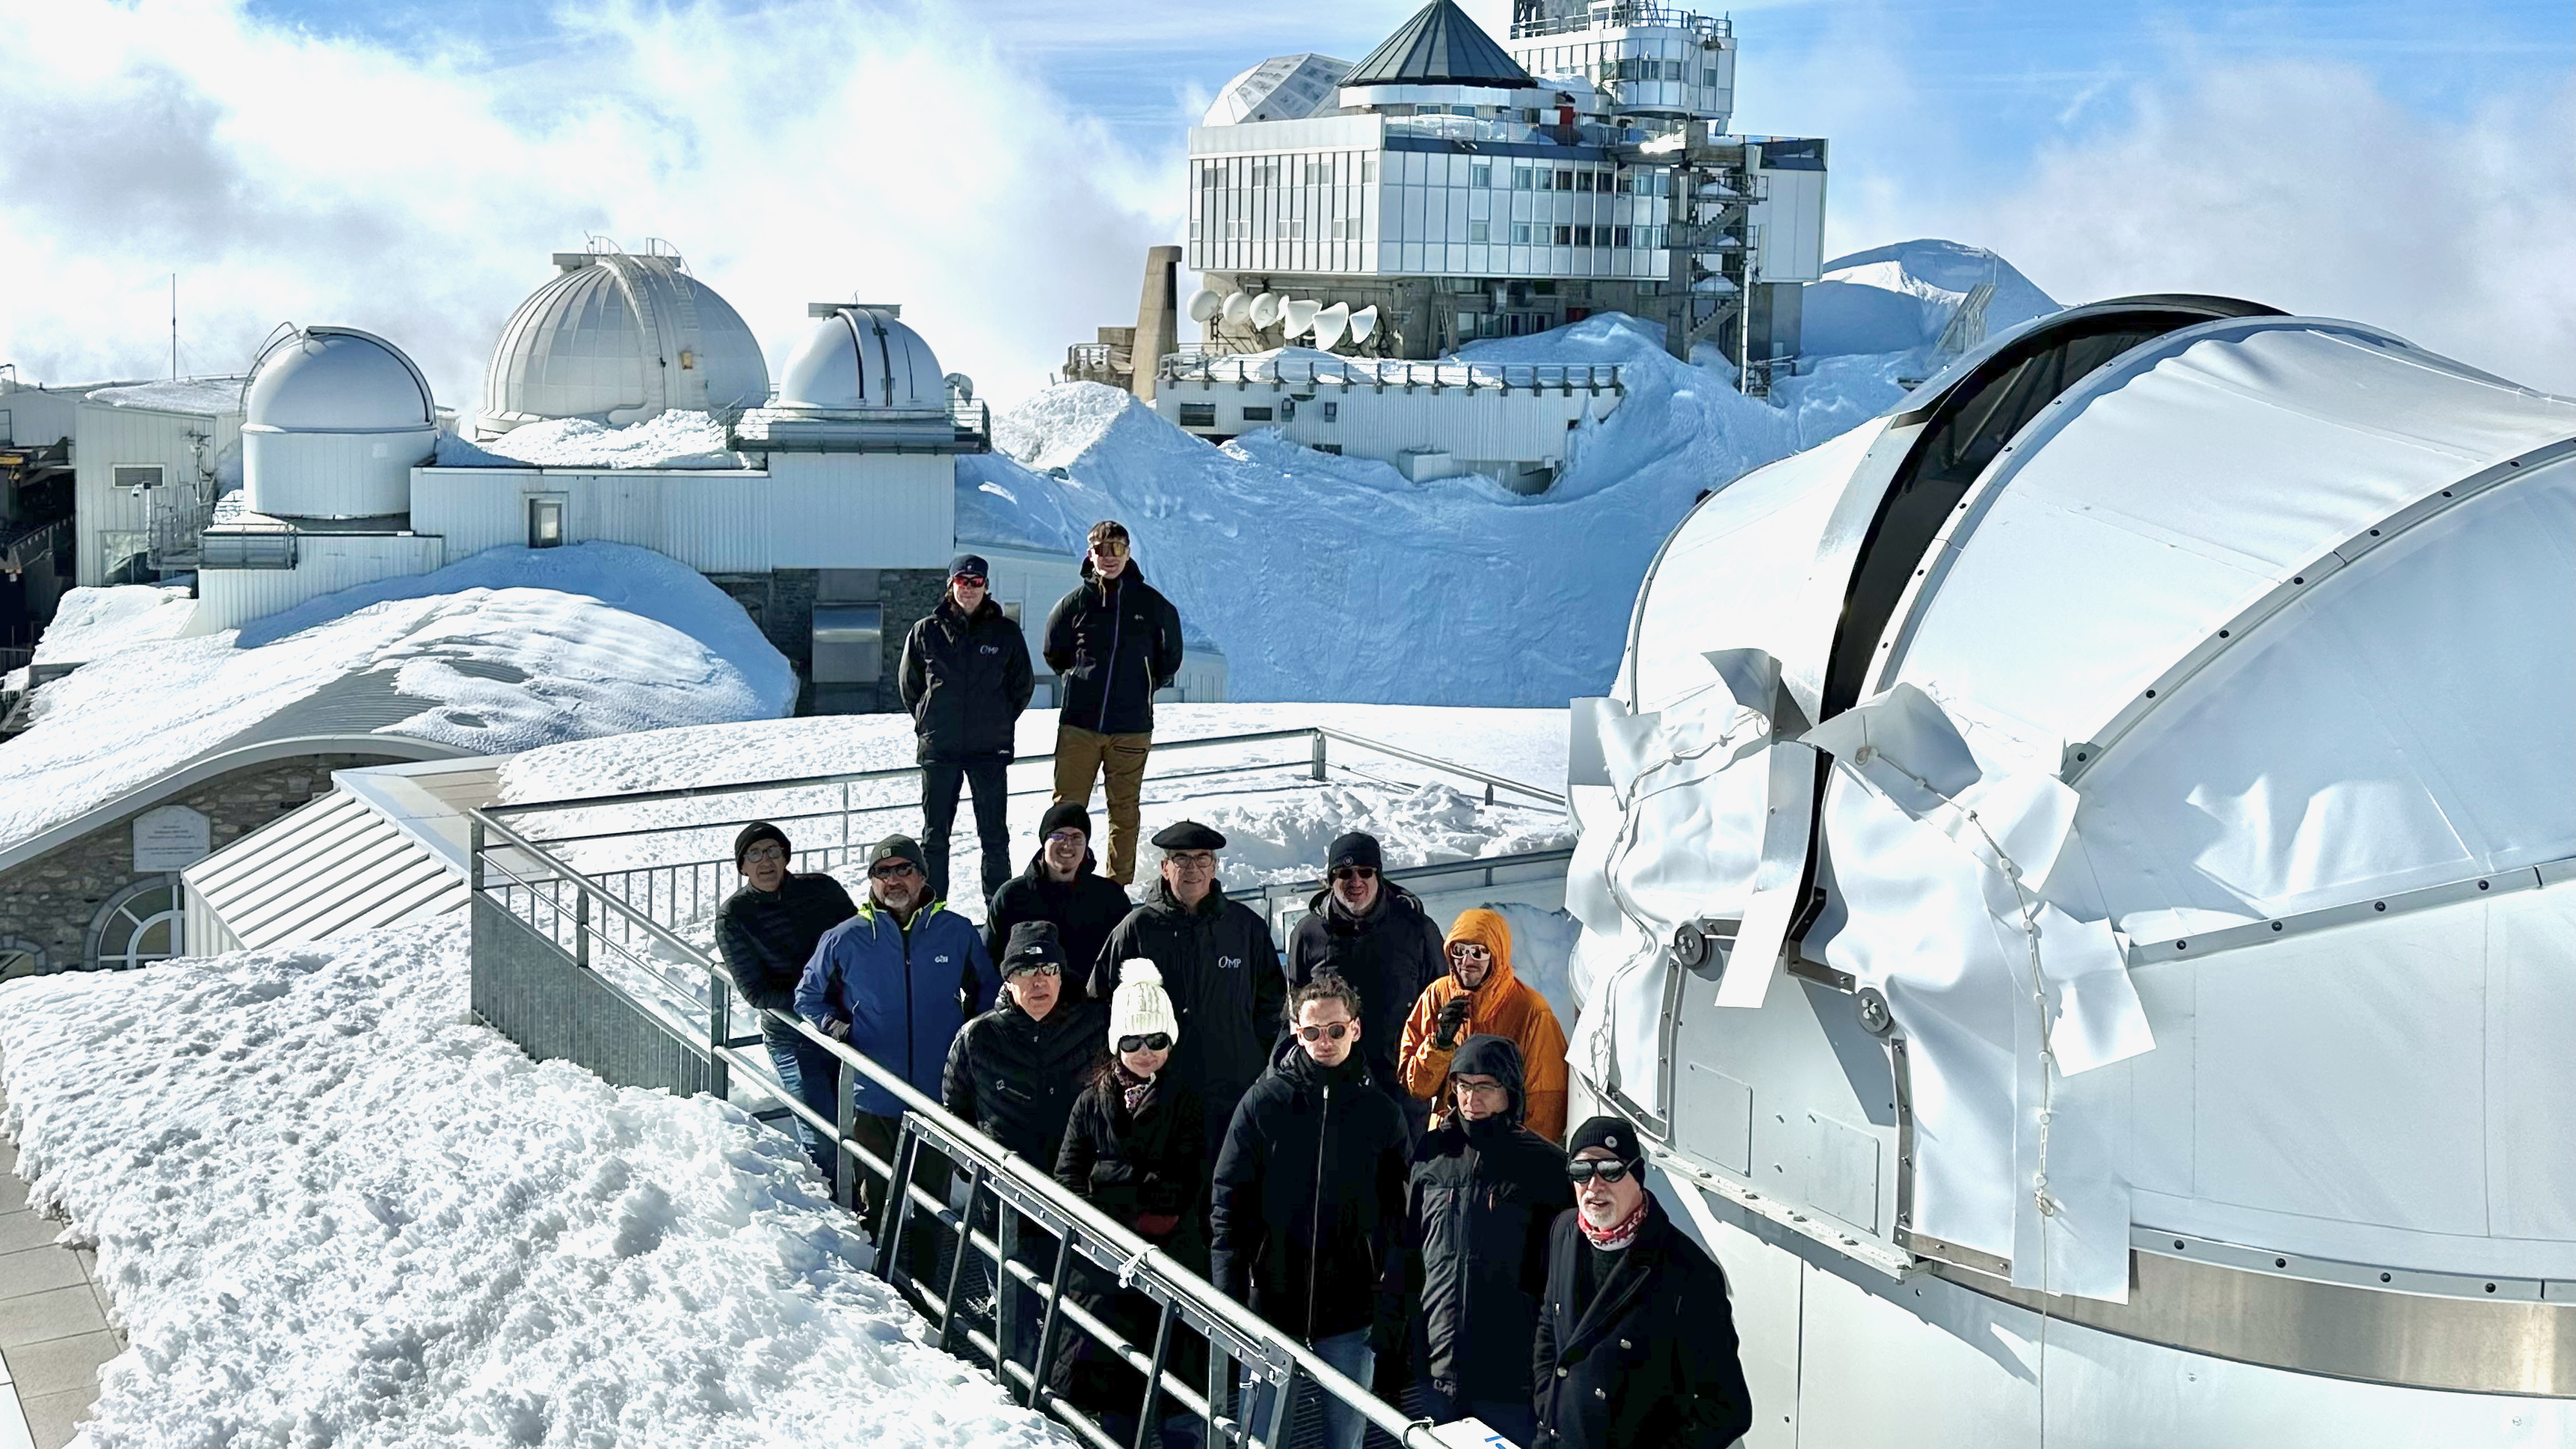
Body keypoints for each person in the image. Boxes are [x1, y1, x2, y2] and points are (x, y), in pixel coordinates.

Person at [1210, 973, 1409, 1449]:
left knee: (1345, 1440)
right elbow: (1227, 1202)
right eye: (1313, 1032)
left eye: (1335, 1030)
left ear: (1355, 1029)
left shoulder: (1379, 1113)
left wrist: (1392, 1300)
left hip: (1350, 1307)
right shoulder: (1265, 1103)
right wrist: (1229, 1295)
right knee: (1261, 1438)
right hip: (1272, 1302)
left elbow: (1401, 1216)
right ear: (1296, 1032)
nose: (1325, 1042)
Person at [796, 835, 1000, 1239]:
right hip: (873, 1095)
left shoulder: (955, 931)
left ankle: (926, 1294)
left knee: (934, 1207)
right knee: (876, 1204)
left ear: (922, 877)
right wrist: (833, 1027)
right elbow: (808, 995)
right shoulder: (846, 937)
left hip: (937, 1097)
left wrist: (971, 1042)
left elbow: (988, 991)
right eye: (882, 873)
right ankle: (880, 1293)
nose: (894, 880)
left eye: (904, 870)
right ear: (872, 882)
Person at [1053, 961, 1208, 1449]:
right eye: (1133, 1042)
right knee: (1115, 1387)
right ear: (1116, 1042)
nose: (1146, 1053)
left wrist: (1108, 1181)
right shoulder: (1091, 1100)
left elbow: (1182, 1184)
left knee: (1179, 1394)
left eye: (1156, 1040)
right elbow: (1067, 1175)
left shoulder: (1191, 1098)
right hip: (1105, 1267)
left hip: (1172, 1262)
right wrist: (1111, 1201)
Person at [1531, 1118, 1754, 1449]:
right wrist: (1547, 1408)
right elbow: (1551, 1327)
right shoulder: (1565, 1231)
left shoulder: (1687, 1273)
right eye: (1581, 1171)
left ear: (1637, 1175)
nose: (1594, 1186)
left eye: (1610, 1170)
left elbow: (1727, 1409)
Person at [1405, 1035, 1570, 1444]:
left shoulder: (1547, 1166)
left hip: (1510, 1379)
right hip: (1437, 1368)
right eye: (1463, 1085)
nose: (1471, 1097)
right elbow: (1408, 1252)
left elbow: (1562, 1277)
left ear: (1509, 1090)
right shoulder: (1433, 1153)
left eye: (1485, 1086)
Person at [1091, 821, 1285, 1162]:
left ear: (1215, 867)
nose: (1192, 868)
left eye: (1202, 859)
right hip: (1158, 1095)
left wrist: (1251, 1051)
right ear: (1165, 868)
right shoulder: (1137, 929)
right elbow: (1100, 1001)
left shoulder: (1244, 927)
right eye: (1181, 859)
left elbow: (1272, 999)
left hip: (1231, 1090)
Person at [711, 822, 857, 1175]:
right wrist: (815, 1006)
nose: (766, 862)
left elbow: (861, 944)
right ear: (742, 866)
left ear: (786, 857)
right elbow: (757, 992)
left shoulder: (822, 890)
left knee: (866, 1126)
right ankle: (835, 1215)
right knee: (822, 1135)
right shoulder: (735, 916)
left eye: (774, 852)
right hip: (794, 1035)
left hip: (850, 1025)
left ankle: (875, 1210)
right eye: (755, 854)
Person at [1044, 520, 1184, 885]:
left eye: (1117, 549)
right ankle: (1061, 881)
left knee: (1124, 812)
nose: (1109, 558)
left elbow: (1170, 659)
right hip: (1080, 725)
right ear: (1090, 555)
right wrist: (1079, 680)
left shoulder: (1152, 605)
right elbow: (1054, 653)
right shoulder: (1074, 604)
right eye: (1101, 550)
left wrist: (1142, 686)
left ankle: (1115, 888)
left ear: (1128, 553)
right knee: (1067, 811)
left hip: (1132, 728)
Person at [900, 552, 1036, 907]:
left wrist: (998, 720)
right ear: (951, 586)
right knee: (935, 838)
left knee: (994, 837)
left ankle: (999, 912)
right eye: (963, 582)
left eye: (977, 583)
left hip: (988, 750)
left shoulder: (1005, 633)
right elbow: (910, 686)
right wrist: (929, 722)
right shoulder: (926, 631)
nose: (970, 589)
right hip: (940, 749)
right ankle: (931, 910)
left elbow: (1021, 686)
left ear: (986, 587)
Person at [1285, 832, 1444, 1111]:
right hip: (1331, 1086)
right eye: (1344, 873)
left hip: (1399, 1085)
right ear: (1331, 880)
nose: (1355, 881)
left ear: (1378, 876)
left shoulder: (1416, 929)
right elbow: (1295, 1009)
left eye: (1365, 872)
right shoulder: (1308, 933)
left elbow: (1440, 1001)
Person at [1397, 908, 1573, 1143]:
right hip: (1451, 1143)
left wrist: (1523, 1154)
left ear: (1497, 955)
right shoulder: (1437, 995)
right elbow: (1417, 1087)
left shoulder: (1531, 1010)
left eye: (1478, 953)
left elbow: (1545, 1100)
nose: (1466, 962)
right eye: (1459, 951)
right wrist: (1440, 1044)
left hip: (1504, 1146)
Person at [943, 922, 1108, 1170]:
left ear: (1060, 977)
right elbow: (955, 1110)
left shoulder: (1095, 1027)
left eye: (1049, 969)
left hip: (1079, 1182)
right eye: (1026, 971)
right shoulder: (977, 1037)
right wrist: (970, 1168)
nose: (1039, 981)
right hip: (1005, 1187)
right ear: (1008, 981)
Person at [985, 800, 1133, 984]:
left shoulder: (1110, 897)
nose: (1067, 844)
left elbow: (1130, 961)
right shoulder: (1013, 896)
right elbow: (988, 964)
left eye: (1077, 837)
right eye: (1059, 835)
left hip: (1092, 1005)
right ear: (1044, 842)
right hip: (1031, 1004)